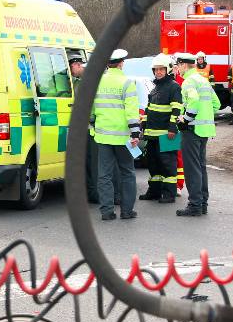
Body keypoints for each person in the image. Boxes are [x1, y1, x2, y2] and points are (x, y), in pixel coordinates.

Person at [92, 48, 141, 220]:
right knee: (127, 172)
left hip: (103, 136)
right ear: (121, 63)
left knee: (104, 175)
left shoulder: (97, 82)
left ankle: (107, 211)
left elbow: (90, 109)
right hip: (123, 137)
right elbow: (131, 110)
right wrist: (135, 132)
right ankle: (127, 211)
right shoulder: (127, 82)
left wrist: (94, 123)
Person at [174, 52, 219, 217]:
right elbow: (216, 104)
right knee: (200, 167)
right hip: (204, 131)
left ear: (184, 65)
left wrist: (185, 119)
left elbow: (193, 102)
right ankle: (202, 204)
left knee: (192, 169)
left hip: (191, 131)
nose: (177, 69)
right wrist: (204, 116)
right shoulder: (203, 80)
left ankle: (194, 205)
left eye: (178, 65)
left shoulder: (188, 82)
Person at [138, 54, 182, 204]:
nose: (158, 72)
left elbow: (177, 109)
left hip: (168, 134)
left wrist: (172, 128)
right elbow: (149, 109)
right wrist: (143, 125)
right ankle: (155, 191)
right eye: (156, 70)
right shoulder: (155, 87)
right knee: (153, 164)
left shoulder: (174, 87)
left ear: (168, 69)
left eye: (161, 69)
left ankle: (169, 193)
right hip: (152, 134)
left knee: (168, 165)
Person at [70, 53, 100, 203]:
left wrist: (91, 118)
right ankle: (90, 192)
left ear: (77, 64)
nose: (71, 71)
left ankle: (94, 193)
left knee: (92, 163)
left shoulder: (91, 83)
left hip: (93, 128)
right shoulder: (77, 82)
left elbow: (93, 107)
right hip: (85, 129)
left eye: (71, 67)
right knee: (86, 163)